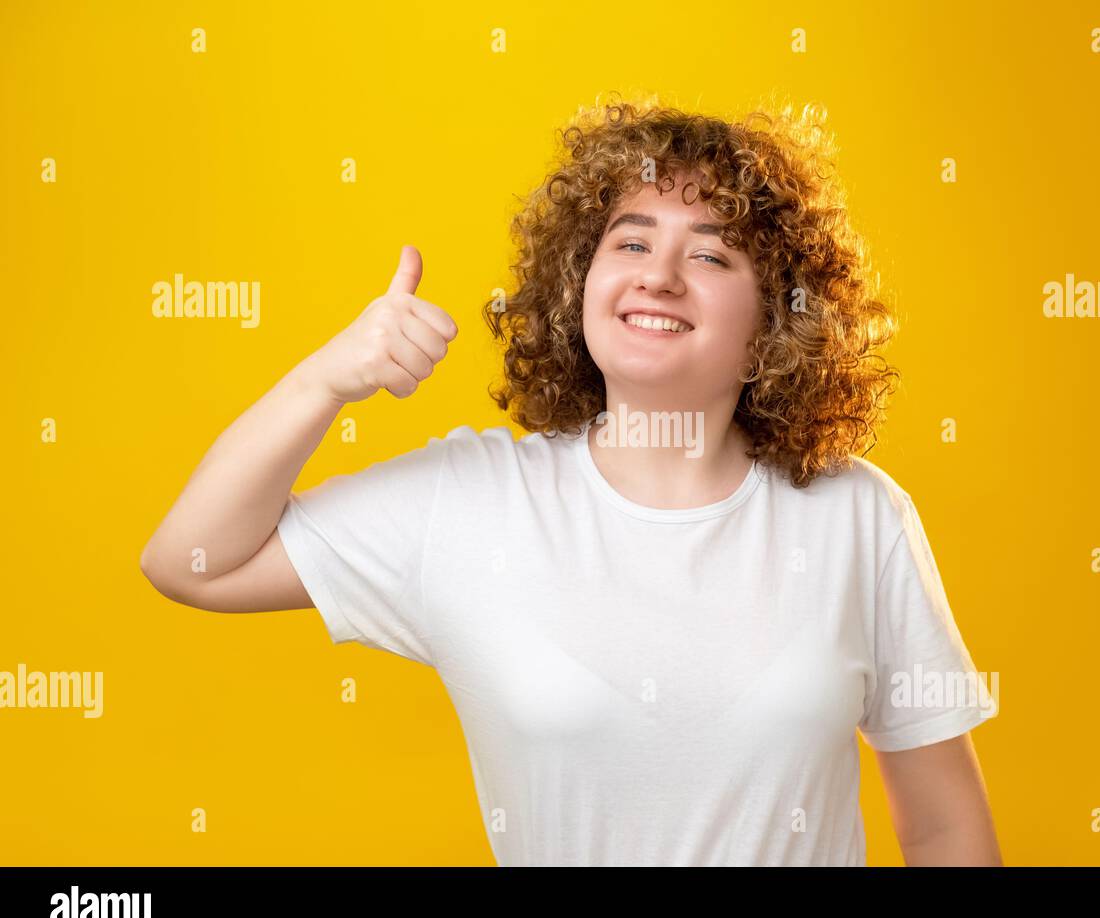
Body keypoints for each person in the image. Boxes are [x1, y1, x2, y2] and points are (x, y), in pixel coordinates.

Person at [141, 97, 1001, 866]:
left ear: (777, 319)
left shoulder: (857, 515)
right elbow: (193, 561)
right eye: (630, 241)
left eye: (710, 256)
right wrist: (325, 380)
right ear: (579, 281)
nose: (657, 275)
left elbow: (941, 830)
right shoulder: (471, 502)